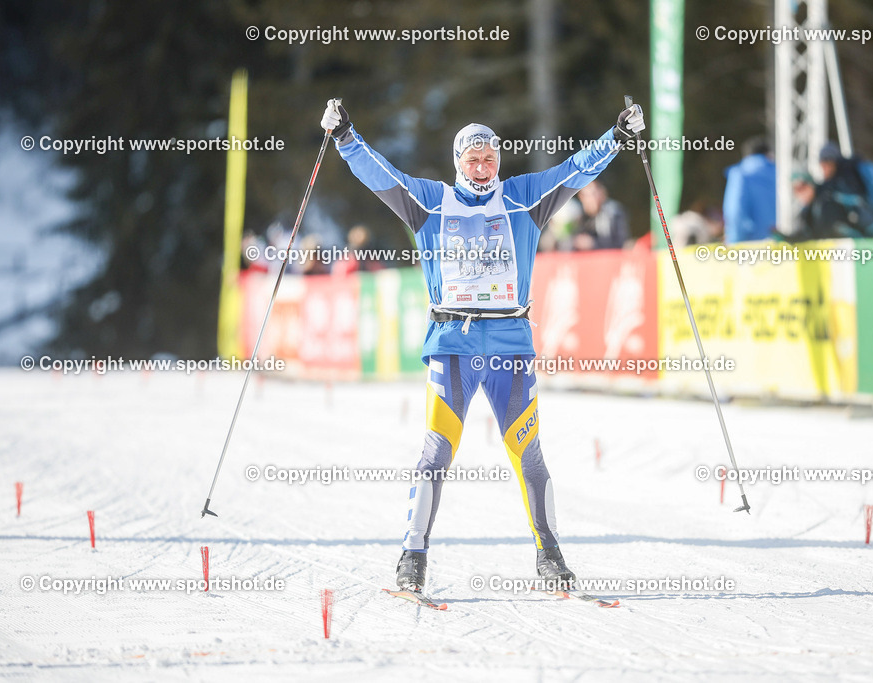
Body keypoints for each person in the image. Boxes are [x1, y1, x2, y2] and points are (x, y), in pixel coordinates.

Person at [320, 98, 645, 594]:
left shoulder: (523, 197)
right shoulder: (431, 201)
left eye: (489, 158)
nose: (481, 168)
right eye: (472, 160)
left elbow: (576, 170)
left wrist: (616, 136)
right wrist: (345, 137)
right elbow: (380, 174)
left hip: (510, 348)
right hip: (453, 346)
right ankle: (413, 555)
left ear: (499, 161)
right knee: (436, 452)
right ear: (457, 163)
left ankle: (550, 553)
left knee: (527, 452)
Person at [722, 137, 777, 243]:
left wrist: (733, 240)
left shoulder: (740, 174)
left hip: (749, 243)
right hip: (777, 242)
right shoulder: (779, 173)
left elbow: (735, 211)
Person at [566, 181, 629, 250]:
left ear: (602, 194)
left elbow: (619, 244)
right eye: (587, 195)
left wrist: (593, 243)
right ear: (581, 197)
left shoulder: (613, 213)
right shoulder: (577, 215)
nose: (591, 199)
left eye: (594, 194)